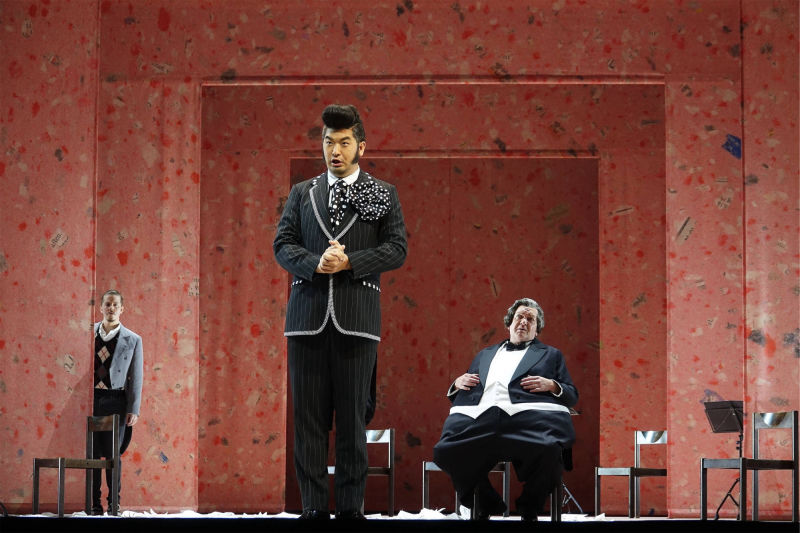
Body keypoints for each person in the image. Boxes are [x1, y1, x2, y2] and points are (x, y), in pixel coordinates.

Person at [273, 104, 407, 520]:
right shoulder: (302, 192)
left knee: (352, 421)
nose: (335, 150)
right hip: (306, 321)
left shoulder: (383, 192)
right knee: (308, 423)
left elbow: (396, 249)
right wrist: (316, 263)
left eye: (344, 143)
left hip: (357, 319)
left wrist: (350, 262)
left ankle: (350, 511)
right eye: (329, 142)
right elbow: (282, 245)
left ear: (360, 147)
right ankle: (313, 509)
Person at [433, 298, 578, 522]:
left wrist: (552, 385)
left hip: (529, 424)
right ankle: (486, 502)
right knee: (445, 451)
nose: (524, 321)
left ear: (537, 328)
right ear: (509, 323)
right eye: (519, 316)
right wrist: (457, 384)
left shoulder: (551, 355)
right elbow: (469, 392)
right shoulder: (484, 354)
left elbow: (572, 394)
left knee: (551, 451)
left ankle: (529, 508)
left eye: (530, 319)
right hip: (481, 422)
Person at [91, 289, 143, 515]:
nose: (111, 308)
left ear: (122, 309)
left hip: (116, 400)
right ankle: (93, 504)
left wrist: (134, 408)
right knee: (92, 453)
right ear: (101, 307)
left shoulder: (133, 339)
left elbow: (136, 377)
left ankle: (114, 503)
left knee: (113, 454)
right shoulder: (88, 333)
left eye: (115, 305)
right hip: (91, 398)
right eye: (107, 304)